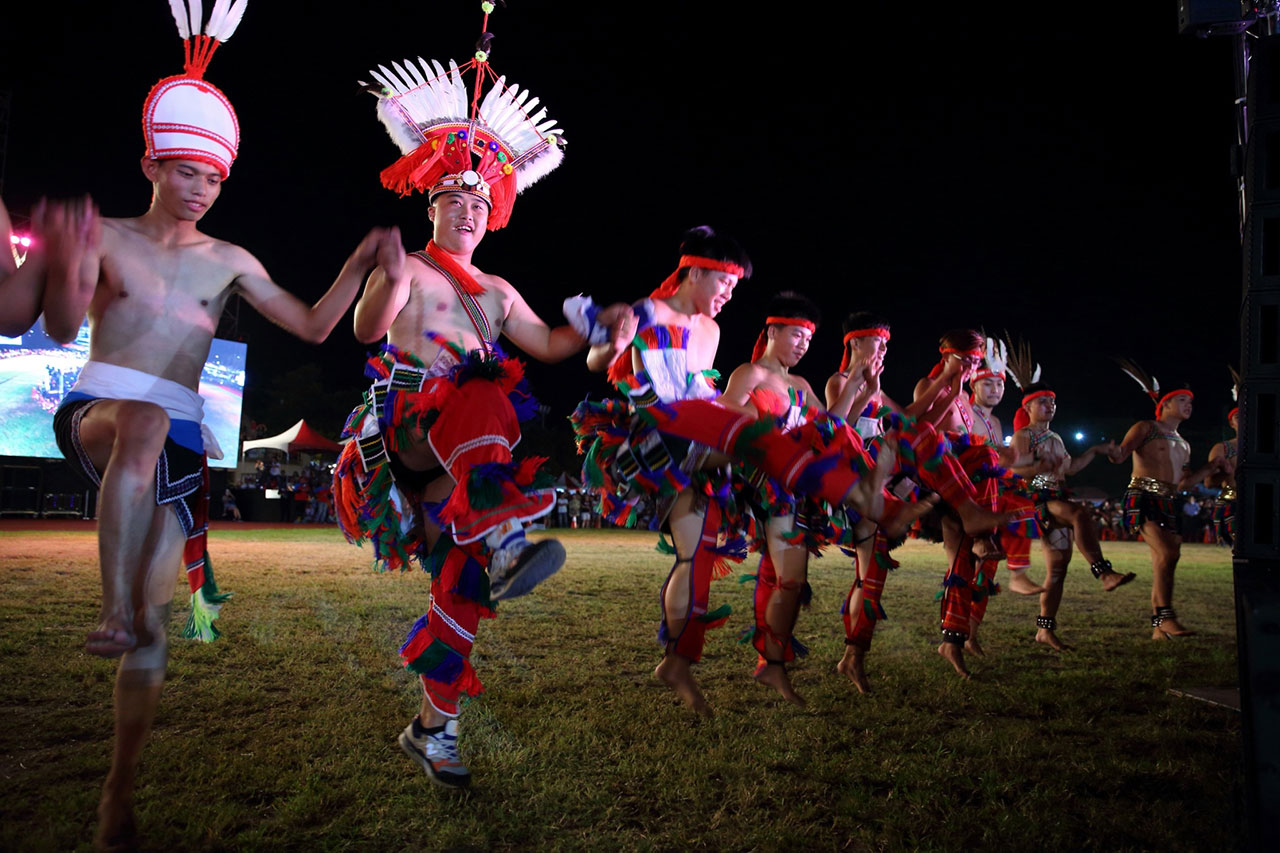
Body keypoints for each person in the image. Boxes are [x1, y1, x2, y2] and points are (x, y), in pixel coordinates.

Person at [39, 3, 395, 847]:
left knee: (158, 623)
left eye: (214, 177)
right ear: (151, 163)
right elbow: (56, 327)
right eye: (185, 169)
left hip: (179, 441)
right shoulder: (110, 237)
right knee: (146, 424)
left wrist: (357, 262)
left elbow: (311, 326)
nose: (200, 187)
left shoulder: (230, 260)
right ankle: (109, 606)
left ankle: (118, 790)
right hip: (101, 411)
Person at [332, 30, 633, 788]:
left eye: (477, 201)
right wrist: (386, 279)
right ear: (430, 200)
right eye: (452, 198)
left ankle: (434, 728)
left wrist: (606, 328)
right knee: (477, 383)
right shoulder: (410, 265)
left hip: (457, 465)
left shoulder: (497, 291)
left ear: (493, 210)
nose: (466, 211)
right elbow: (368, 331)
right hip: (396, 436)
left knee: (461, 587)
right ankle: (505, 531)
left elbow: (554, 345)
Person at [719, 292, 827, 705]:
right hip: (766, 486)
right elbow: (726, 413)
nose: (803, 344)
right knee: (792, 579)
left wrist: (859, 383)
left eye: (809, 339)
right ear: (772, 332)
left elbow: (834, 425)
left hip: (799, 487)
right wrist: (770, 420)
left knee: (783, 579)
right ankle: (774, 665)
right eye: (797, 334)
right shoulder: (750, 373)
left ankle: (770, 661)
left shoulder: (800, 384)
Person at [1007, 378, 1134, 650]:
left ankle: (1045, 629)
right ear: (1028, 407)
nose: (1050, 405)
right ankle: (1104, 572)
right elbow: (1017, 471)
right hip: (1037, 500)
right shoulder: (1024, 436)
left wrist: (1095, 450)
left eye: (1052, 401)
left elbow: (1071, 468)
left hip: (1056, 496)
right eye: (1043, 401)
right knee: (1079, 514)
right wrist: (1041, 466)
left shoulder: (1055, 438)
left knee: (1057, 571)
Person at [1112, 359, 1224, 638]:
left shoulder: (1184, 444)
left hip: (1169, 501)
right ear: (1166, 404)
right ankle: (1166, 617)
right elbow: (1122, 455)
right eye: (1182, 400)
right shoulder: (1146, 428)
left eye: (1190, 401)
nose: (1189, 405)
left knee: (1167, 558)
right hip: (1142, 497)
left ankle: (1158, 627)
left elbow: (1184, 482)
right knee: (1167, 553)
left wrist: (1210, 469)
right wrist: (1114, 453)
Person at [1205, 375, 1239, 547]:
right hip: (1233, 503)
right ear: (1231, 423)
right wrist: (1225, 472)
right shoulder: (1223, 449)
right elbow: (1209, 482)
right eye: (1238, 418)